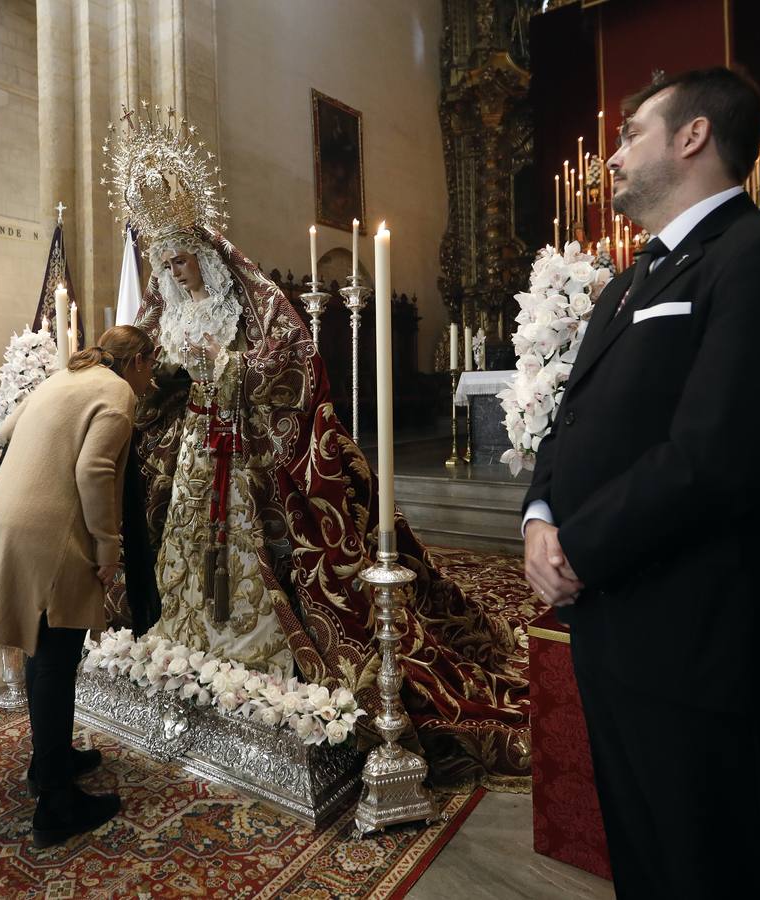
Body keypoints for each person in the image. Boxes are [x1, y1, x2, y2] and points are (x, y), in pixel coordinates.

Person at [107, 110, 531, 789]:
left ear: (205, 251)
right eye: (164, 262)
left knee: (258, 553)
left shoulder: (250, 296)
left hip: (247, 452)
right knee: (186, 550)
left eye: (182, 258)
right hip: (197, 446)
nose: (175, 272)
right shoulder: (166, 307)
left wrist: (236, 368)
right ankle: (190, 641)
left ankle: (256, 650)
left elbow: (294, 353)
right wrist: (162, 375)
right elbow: (150, 366)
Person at [521, 68, 760, 896]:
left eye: (632, 132)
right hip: (613, 622)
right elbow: (571, 419)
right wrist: (538, 516)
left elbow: (718, 454)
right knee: (646, 857)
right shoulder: (630, 282)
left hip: (704, 629)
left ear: (693, 135)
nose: (613, 156)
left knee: (717, 866)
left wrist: (577, 548)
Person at [0, 325, 156, 848]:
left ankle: (48, 761)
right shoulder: (116, 395)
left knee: (39, 648)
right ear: (138, 362)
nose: (151, 381)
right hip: (49, 532)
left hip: (7, 518)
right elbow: (94, 470)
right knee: (55, 656)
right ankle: (56, 800)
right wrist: (108, 546)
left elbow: (5, 433)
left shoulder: (65, 377)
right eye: (151, 369)